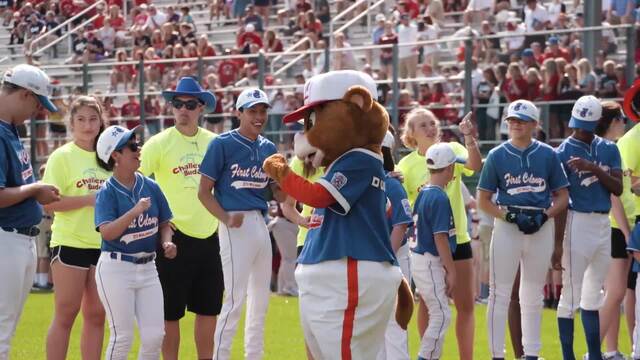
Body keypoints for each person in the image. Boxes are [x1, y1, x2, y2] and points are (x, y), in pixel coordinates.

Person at [477, 99, 569, 360]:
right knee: (499, 293)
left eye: (521, 120)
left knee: (532, 292)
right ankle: (497, 354)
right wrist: (507, 215)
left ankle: (531, 354)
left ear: (534, 124)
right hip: (508, 226)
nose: (515, 124)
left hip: (540, 224)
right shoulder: (496, 154)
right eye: (512, 120)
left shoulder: (548, 154)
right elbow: (483, 199)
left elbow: (562, 196)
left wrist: (546, 215)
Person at [139, 76, 224, 360]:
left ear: (201, 108)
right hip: (171, 237)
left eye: (190, 104)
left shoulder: (215, 143)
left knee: (209, 309)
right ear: (171, 107)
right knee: (170, 313)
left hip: (210, 236)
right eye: (177, 104)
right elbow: (132, 180)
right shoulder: (158, 143)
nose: (183, 109)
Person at [198, 88, 278, 360]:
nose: (259, 116)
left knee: (261, 302)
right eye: (252, 110)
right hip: (234, 223)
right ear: (238, 112)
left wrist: (286, 179)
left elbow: (278, 193)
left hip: (260, 221)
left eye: (262, 111)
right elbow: (203, 192)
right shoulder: (222, 144)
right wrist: (225, 218)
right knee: (234, 300)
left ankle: (253, 356)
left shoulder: (269, 147)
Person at [396, 108, 482, 360]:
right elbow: (403, 206)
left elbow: (475, 167)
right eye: (423, 125)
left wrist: (468, 137)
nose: (431, 127)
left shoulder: (452, 150)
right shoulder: (406, 165)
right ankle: (431, 355)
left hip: (459, 240)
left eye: (432, 122)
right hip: (428, 247)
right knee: (429, 304)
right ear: (411, 134)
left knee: (465, 305)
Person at [94, 125, 177, 360]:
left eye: (137, 143)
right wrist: (134, 211)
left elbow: (164, 223)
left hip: (149, 268)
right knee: (122, 338)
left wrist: (166, 242)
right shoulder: (107, 191)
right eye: (131, 145)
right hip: (116, 268)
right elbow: (107, 233)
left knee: (154, 337)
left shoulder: (150, 185)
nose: (138, 149)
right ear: (115, 155)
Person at [555, 96, 623, 360]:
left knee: (594, 293)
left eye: (585, 125)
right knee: (570, 294)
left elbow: (617, 187)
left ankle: (594, 355)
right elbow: (560, 200)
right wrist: (558, 243)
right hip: (577, 220)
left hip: (602, 222)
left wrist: (592, 168)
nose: (579, 130)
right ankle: (568, 356)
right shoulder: (561, 152)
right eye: (577, 124)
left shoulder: (608, 149)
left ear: (596, 123)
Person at [0, 63, 60, 360]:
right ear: (24, 94)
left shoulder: (10, 130)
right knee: (1, 331)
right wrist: (34, 190)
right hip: (5, 238)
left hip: (17, 239)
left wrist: (34, 190)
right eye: (37, 103)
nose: (38, 111)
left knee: (6, 329)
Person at [43, 96, 110, 360]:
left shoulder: (109, 157)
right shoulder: (61, 157)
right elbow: (49, 204)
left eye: (93, 119)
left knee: (96, 315)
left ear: (101, 121)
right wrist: (88, 200)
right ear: (71, 123)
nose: (88, 125)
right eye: (81, 119)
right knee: (66, 313)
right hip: (70, 243)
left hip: (103, 245)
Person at [410, 143, 460, 360]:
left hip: (419, 258)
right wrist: (452, 270)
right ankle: (425, 357)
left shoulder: (424, 192)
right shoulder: (438, 196)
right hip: (429, 259)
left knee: (438, 313)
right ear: (449, 169)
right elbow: (440, 237)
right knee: (441, 315)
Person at [595, 102, 636, 360]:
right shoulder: (610, 150)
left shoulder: (613, 148)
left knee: (621, 291)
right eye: (621, 117)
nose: (625, 121)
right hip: (615, 227)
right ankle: (594, 348)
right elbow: (614, 196)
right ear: (611, 122)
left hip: (623, 225)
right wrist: (627, 232)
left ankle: (611, 351)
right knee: (616, 291)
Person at [378, 131, 413, 360]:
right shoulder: (366, 181)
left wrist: (385, 257)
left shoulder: (391, 184)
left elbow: (401, 224)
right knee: (375, 326)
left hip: (394, 257)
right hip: (374, 259)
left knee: (396, 325)